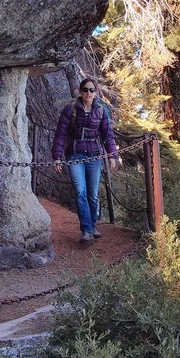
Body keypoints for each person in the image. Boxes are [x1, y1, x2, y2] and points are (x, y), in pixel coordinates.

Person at [52, 78, 119, 243]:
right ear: (80, 92)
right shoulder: (70, 110)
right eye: (85, 90)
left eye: (91, 90)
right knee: (80, 192)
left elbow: (107, 134)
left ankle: (93, 226)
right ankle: (86, 230)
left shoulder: (101, 111)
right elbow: (60, 134)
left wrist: (112, 155)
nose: (88, 93)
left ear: (95, 92)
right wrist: (57, 157)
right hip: (75, 156)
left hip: (94, 156)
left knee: (93, 194)